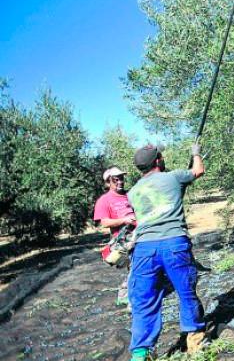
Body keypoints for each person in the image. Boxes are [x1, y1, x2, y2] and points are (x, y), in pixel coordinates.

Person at [127, 144, 206, 361]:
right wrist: (195, 152)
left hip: (144, 249)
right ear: (158, 161)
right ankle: (195, 339)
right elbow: (198, 171)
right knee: (185, 292)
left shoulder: (133, 192)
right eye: (161, 156)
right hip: (173, 243)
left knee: (144, 300)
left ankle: (141, 353)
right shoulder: (173, 177)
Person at [93, 166, 136, 306]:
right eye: (115, 180)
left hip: (139, 236)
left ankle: (125, 295)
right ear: (108, 183)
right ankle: (129, 299)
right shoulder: (104, 200)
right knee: (136, 268)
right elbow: (104, 222)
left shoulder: (130, 195)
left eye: (121, 179)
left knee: (137, 268)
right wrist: (123, 220)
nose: (120, 182)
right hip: (123, 241)